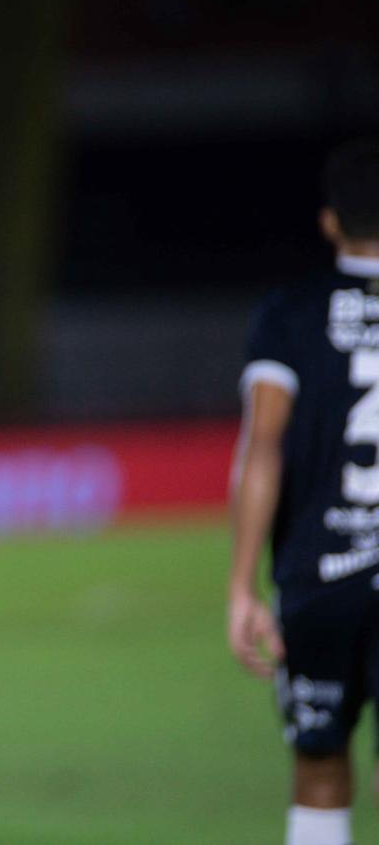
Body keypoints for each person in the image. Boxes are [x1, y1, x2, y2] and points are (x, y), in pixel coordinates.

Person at [229, 140, 379, 845]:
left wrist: (241, 585)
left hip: (319, 578)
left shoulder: (289, 314)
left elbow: (263, 446)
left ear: (330, 222)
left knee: (320, 768)